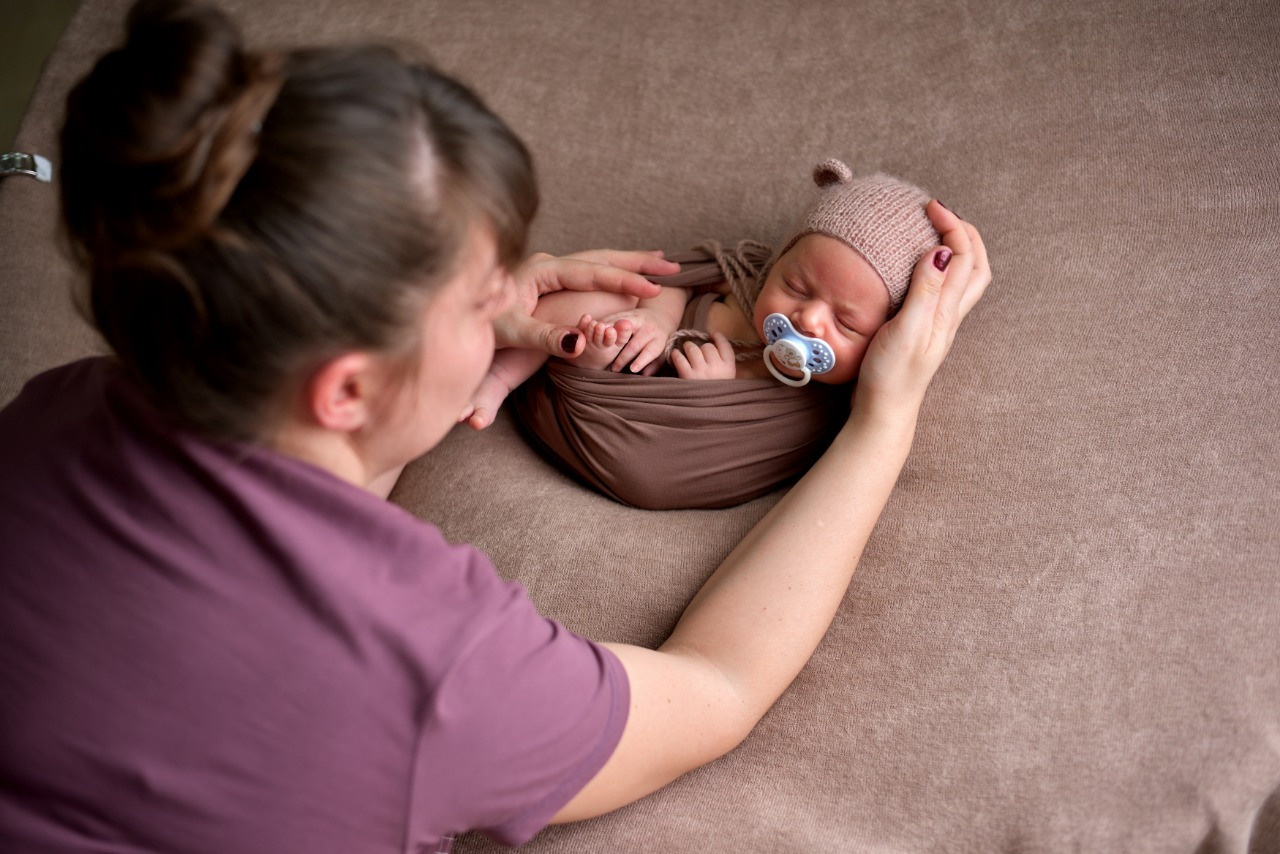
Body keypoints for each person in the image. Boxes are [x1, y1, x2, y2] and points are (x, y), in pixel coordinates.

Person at [0, 2, 990, 853]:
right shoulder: (436, 666)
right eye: (480, 300)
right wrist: (882, 415)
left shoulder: (57, 408)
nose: (515, 308)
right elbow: (717, 688)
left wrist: (475, 325)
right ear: (345, 387)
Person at [468, 165, 948, 510]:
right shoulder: (742, 286)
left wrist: (709, 394)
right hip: (616, 356)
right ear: (775, 262)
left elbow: (718, 448)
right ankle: (502, 375)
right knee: (592, 304)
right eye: (795, 286)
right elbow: (678, 282)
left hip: (645, 422)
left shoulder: (813, 409)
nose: (809, 319)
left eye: (846, 324)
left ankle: (584, 363)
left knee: (600, 343)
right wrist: (654, 319)